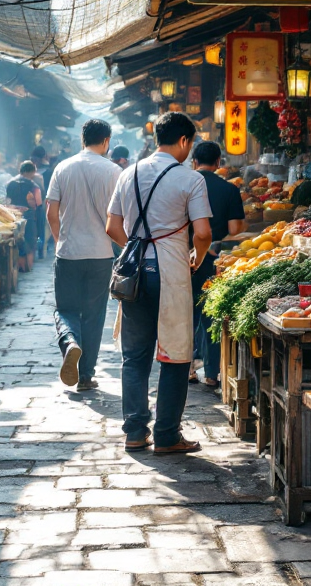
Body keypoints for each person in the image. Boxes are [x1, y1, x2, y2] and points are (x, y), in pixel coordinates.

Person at [106, 112, 213, 455]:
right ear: (184, 141)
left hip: (134, 272)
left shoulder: (128, 173)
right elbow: (203, 233)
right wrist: (196, 257)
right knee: (176, 354)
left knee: (134, 357)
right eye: (190, 143)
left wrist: (136, 248)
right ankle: (167, 435)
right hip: (171, 270)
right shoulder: (191, 179)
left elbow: (112, 226)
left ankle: (135, 432)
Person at [47, 120, 122, 391]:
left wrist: (60, 243)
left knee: (66, 309)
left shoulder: (62, 168)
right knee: (94, 314)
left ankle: (69, 342)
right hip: (101, 254)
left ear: (82, 138)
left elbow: (51, 214)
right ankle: (87, 376)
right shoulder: (114, 171)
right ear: (106, 141)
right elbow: (120, 217)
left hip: (68, 253)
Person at [188, 141, 246, 388]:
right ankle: (212, 373)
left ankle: (188, 368)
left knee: (187, 313)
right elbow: (234, 229)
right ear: (218, 163)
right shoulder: (229, 189)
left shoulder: (184, 185)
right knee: (211, 313)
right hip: (216, 259)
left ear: (193, 162)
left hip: (185, 259)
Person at [5, 161, 43, 272]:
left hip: (12, 217)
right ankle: (27, 267)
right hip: (29, 217)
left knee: (17, 242)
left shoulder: (10, 183)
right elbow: (39, 204)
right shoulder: (34, 186)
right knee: (30, 242)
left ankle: (18, 266)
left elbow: (6, 201)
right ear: (32, 172)